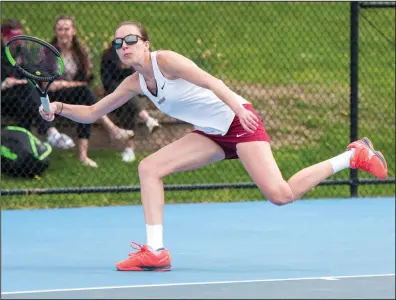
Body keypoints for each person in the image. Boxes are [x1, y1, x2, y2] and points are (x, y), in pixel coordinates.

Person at [39, 21, 388, 272]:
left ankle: (353, 155)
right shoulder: (134, 83)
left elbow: (210, 81)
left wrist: (238, 108)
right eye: (118, 43)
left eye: (130, 39)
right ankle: (156, 251)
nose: (124, 46)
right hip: (209, 132)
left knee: (280, 194)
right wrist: (57, 108)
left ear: (145, 43)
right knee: (149, 167)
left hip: (239, 121)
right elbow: (93, 112)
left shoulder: (167, 61)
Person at [47, 15, 134, 167]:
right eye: (60, 29)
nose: (63, 33)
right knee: (85, 93)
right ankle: (112, 129)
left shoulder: (80, 52)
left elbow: (86, 79)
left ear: (73, 31)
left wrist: (65, 84)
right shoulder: (49, 53)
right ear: (56, 32)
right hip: (53, 96)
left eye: (67, 29)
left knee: (85, 101)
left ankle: (83, 155)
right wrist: (68, 84)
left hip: (75, 93)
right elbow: (47, 84)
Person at [1, 19, 74, 150]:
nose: (16, 42)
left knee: (28, 100)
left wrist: (48, 79)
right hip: (3, 96)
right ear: (4, 36)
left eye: (18, 37)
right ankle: (50, 132)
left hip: (20, 95)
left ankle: (26, 148)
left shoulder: (22, 51)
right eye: (12, 38)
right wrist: (4, 83)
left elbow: (32, 71)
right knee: (30, 91)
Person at [101, 46, 161, 162]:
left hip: (134, 94)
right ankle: (147, 119)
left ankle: (129, 147)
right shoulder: (108, 56)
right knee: (126, 97)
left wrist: (129, 69)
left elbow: (142, 78)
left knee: (127, 102)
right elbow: (107, 82)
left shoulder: (138, 54)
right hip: (114, 93)